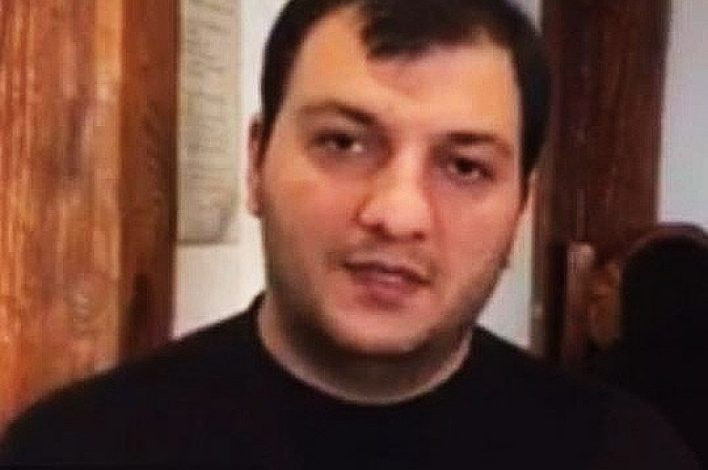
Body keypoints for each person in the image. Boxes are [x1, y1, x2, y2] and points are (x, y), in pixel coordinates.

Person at [0, 0, 699, 467]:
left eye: (464, 166)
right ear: (256, 163)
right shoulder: (73, 450)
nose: (398, 213)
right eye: (342, 142)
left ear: (521, 211)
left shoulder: (623, 455)